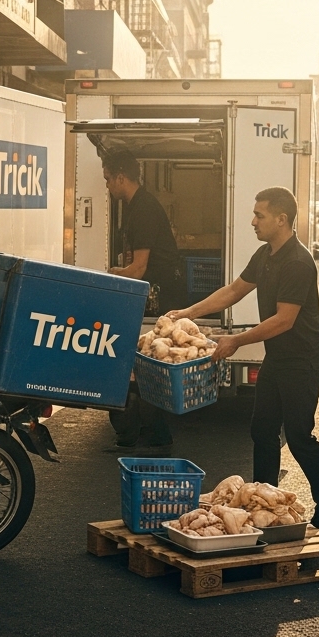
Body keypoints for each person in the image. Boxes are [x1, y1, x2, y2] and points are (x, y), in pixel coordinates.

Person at [167, 186, 319, 532]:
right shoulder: (266, 255)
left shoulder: (297, 262)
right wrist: (187, 312)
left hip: (303, 360)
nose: (253, 221)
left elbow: (284, 320)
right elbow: (234, 291)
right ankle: (265, 504)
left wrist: (236, 340)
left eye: (259, 215)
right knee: (262, 430)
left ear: (281, 220)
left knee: (298, 437)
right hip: (279, 358)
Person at [102, 150, 185, 455]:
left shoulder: (143, 209)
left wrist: (111, 276)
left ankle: (158, 438)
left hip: (163, 296)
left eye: (109, 179)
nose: (108, 185)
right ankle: (148, 436)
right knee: (147, 363)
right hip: (159, 291)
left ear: (121, 177)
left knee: (150, 364)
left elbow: (138, 268)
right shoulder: (137, 205)